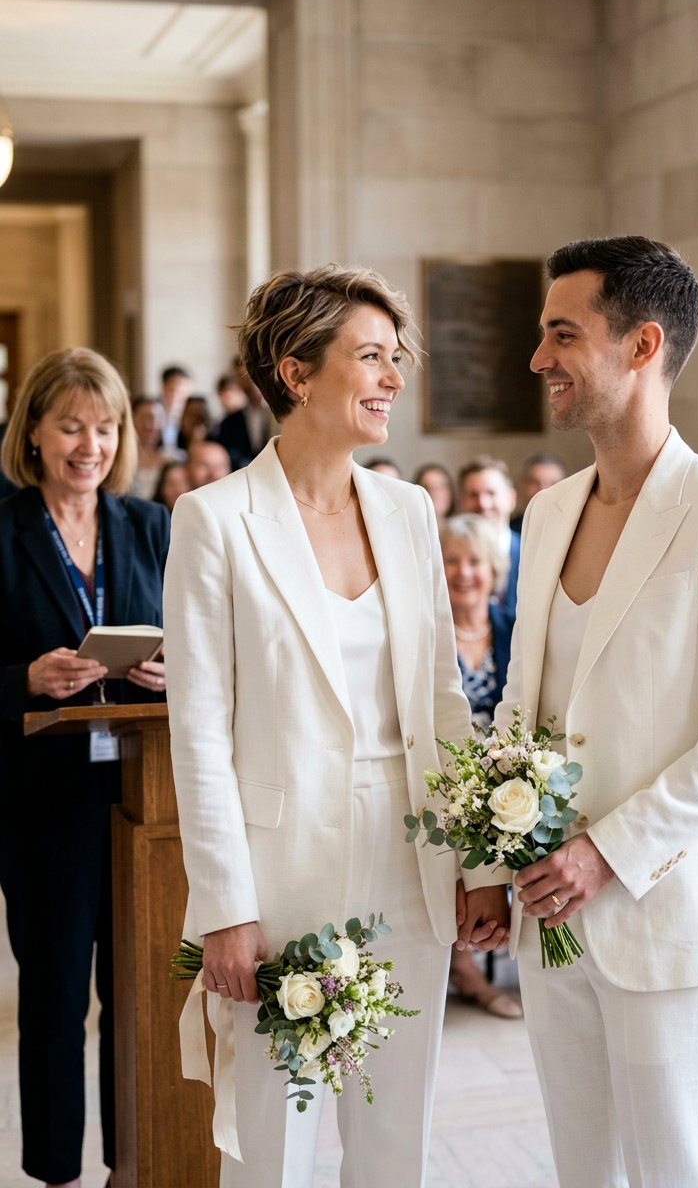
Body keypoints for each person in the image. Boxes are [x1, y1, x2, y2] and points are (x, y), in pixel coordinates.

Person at [163, 265, 509, 1188]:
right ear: (297, 372)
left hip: (412, 853)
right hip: (280, 872)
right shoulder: (215, 520)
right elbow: (197, 732)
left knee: (396, 1129)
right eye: (370, 357)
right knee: (270, 1136)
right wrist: (225, 909)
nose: (393, 377)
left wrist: (478, 863)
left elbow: (442, 699)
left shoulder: (406, 510)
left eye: (396, 358)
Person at [496, 237, 698, 1188]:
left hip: (667, 912)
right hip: (549, 914)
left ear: (642, 345)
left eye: (561, 334)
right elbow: (519, 703)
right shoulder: (545, 514)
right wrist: (482, 859)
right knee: (582, 1170)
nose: (539, 358)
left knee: (673, 1172)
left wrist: (603, 854)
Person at [0, 347, 169, 1188]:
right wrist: (25, 678)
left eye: (105, 428)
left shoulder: (149, 526)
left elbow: (200, 645)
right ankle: (58, 1172)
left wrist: (172, 672)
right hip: (41, 805)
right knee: (58, 1001)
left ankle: (126, 1162)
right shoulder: (1, 530)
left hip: (140, 796)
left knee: (138, 996)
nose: (89, 445)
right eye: (70, 426)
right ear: (32, 431)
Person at [440, 512, 521, 1019]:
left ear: (493, 570)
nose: (463, 572)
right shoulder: (425, 636)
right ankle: (465, 968)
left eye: (474, 561)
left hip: (510, 773)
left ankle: (520, 953)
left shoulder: (516, 631)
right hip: (442, 775)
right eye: (451, 560)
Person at [457, 456, 520, 618]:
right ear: (462, 502)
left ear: (511, 498)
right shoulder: (448, 560)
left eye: (491, 493)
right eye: (473, 495)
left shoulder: (532, 553)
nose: (483, 504)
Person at [130, 395, 180, 500]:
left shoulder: (174, 458)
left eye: (156, 419)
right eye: (144, 418)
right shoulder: (121, 459)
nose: (149, 425)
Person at [510, 452, 567, 532]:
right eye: (535, 482)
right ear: (523, 486)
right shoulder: (509, 534)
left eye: (553, 484)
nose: (543, 490)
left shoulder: (576, 531)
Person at [158, 364, 193, 449]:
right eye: (172, 389)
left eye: (181, 390)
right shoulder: (155, 414)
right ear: (163, 388)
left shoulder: (194, 417)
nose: (176, 395)